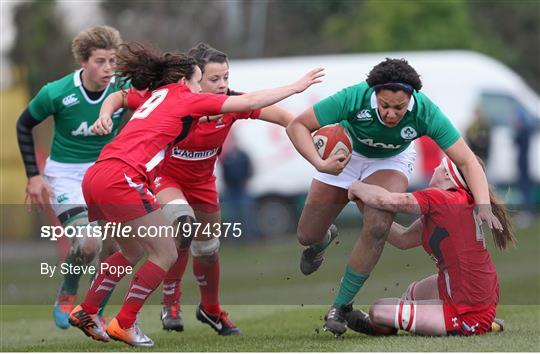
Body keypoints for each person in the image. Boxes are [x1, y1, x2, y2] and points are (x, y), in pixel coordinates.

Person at [68, 41, 324, 347]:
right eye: (206, 77)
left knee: (134, 251)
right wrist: (297, 86)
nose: (219, 85)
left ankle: (88, 310)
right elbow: (250, 100)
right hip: (124, 178)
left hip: (98, 174)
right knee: (165, 252)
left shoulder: (160, 94)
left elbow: (252, 105)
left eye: (224, 78)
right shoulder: (185, 98)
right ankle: (125, 322)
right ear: (188, 80)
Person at [285, 58, 502, 336]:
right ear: (374, 93)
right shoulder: (354, 97)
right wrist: (320, 163)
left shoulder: (425, 113)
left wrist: (483, 205)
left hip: (390, 161)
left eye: (398, 108)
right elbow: (297, 126)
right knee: (307, 235)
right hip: (346, 154)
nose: (390, 114)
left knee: (378, 225)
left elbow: (469, 161)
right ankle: (323, 240)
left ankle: (341, 305)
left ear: (411, 99)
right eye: (384, 105)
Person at [15, 25, 125, 329]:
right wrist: (33, 176)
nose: (108, 68)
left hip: (106, 174)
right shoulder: (57, 92)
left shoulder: (122, 88)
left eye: (113, 61)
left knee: (113, 249)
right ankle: (67, 291)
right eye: (100, 61)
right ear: (83, 61)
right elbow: (23, 125)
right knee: (89, 244)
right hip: (66, 176)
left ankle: (93, 310)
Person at [345, 156, 514, 336]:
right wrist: (361, 203)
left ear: (449, 176)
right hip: (477, 292)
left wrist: (354, 184)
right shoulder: (454, 203)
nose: (435, 168)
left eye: (440, 166)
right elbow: (403, 238)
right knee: (412, 292)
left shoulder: (442, 199)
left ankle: (477, 323)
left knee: (378, 310)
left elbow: (388, 200)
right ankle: (484, 320)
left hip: (467, 310)